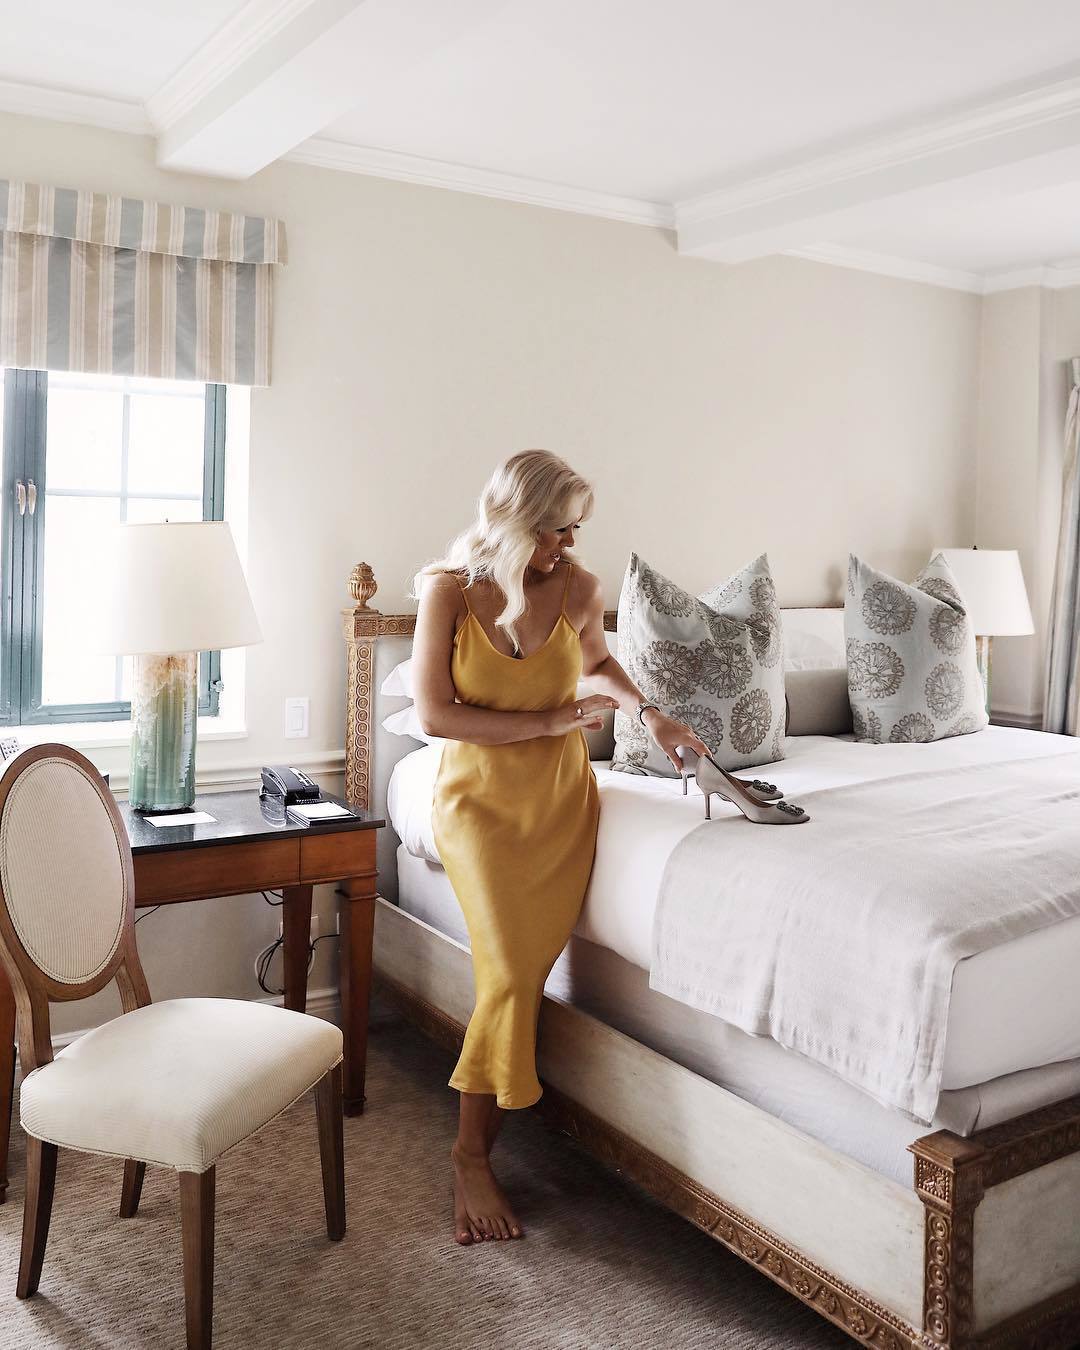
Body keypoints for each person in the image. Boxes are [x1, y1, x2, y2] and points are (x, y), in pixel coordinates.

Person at [410, 449, 709, 1246]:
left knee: (520, 976)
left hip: (559, 808)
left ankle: (476, 1145)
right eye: (556, 530)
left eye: (576, 529)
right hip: (477, 806)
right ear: (515, 520)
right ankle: (471, 1156)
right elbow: (434, 715)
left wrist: (652, 716)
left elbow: (599, 664)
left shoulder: (579, 588)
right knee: (509, 971)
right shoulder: (448, 592)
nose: (569, 544)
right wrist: (545, 721)